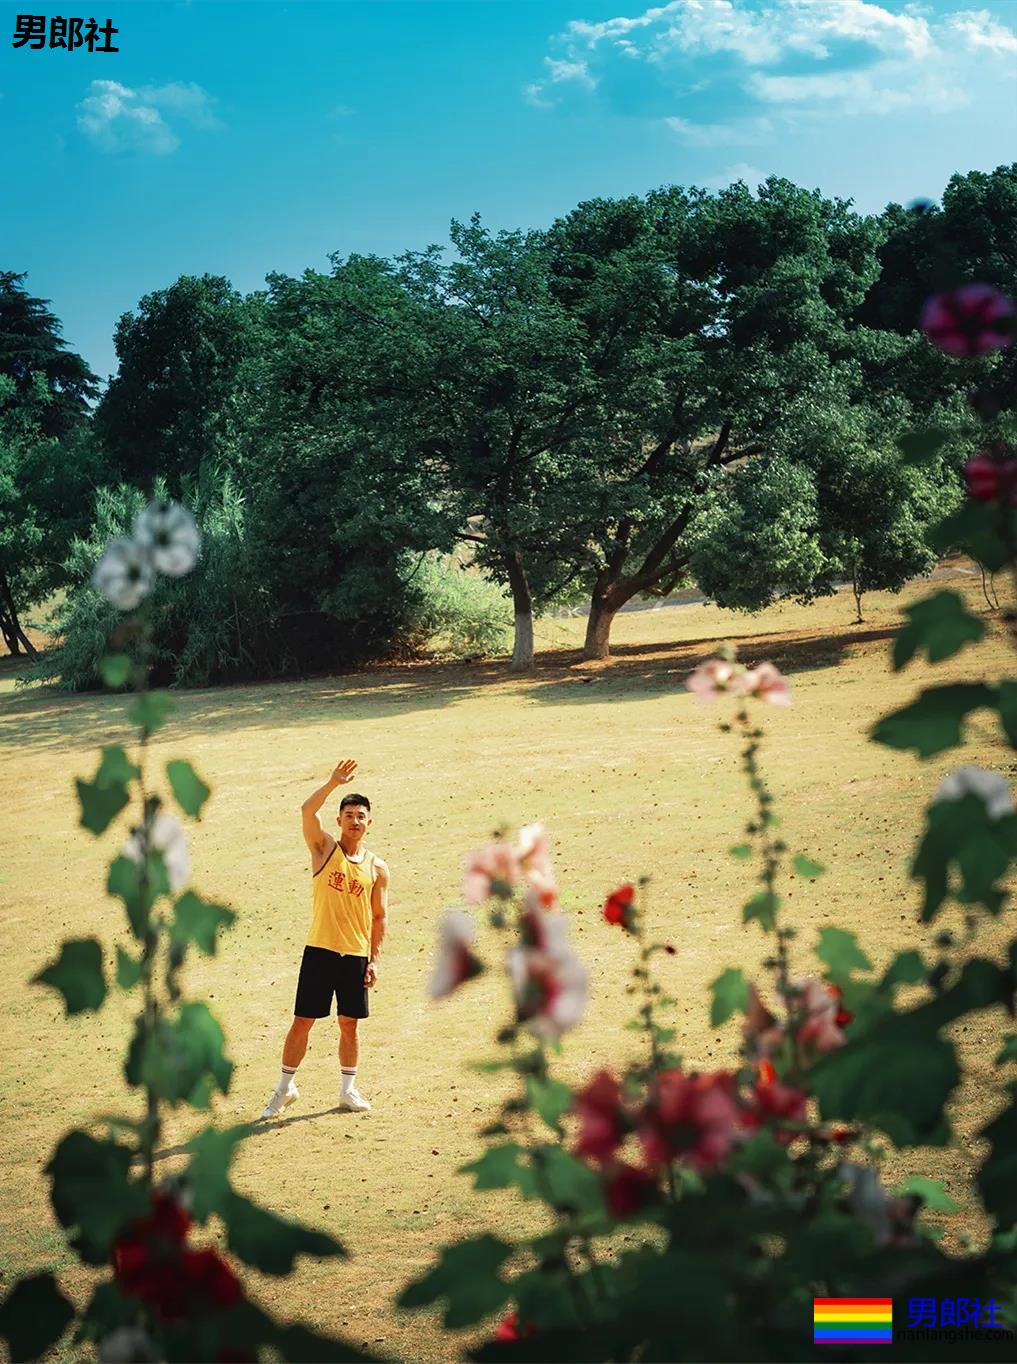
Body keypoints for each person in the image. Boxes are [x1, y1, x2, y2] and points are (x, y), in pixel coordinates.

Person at [260, 758, 388, 1118]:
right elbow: (306, 809)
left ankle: (348, 1090)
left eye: (361, 815)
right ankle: (284, 1089)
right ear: (339, 820)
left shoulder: (377, 868)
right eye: (349, 814)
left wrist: (375, 960)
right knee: (303, 1021)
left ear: (369, 822)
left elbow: (379, 917)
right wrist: (333, 782)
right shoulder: (324, 850)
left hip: (356, 955)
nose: (355, 820)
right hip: (320, 951)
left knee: (350, 1024)